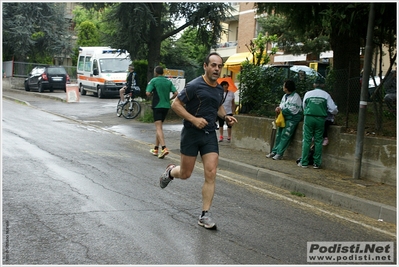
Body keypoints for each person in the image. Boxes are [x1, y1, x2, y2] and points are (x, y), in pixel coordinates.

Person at [159, 52, 237, 230]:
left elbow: (217, 105)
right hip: (191, 133)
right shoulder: (194, 85)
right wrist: (193, 119)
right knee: (186, 174)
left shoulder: (219, 89)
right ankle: (171, 172)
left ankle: (205, 214)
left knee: (211, 172)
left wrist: (226, 117)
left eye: (219, 66)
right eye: (213, 65)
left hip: (209, 134)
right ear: (205, 66)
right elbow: (175, 104)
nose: (216, 69)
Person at [298, 77, 338, 169]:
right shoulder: (326, 95)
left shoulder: (308, 94)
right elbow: (333, 109)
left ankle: (304, 162)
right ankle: (317, 163)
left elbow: (304, 106)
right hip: (320, 118)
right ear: (323, 85)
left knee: (307, 139)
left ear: (314, 84)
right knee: (318, 140)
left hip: (308, 117)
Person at [146, 66, 178, 159]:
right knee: (159, 127)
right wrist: (169, 99)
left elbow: (147, 93)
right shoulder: (168, 81)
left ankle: (164, 148)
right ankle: (156, 149)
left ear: (156, 72)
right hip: (166, 106)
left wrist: (152, 94)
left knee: (158, 128)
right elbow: (176, 93)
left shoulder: (154, 81)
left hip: (157, 105)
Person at [266, 79, 302, 160]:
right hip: (284, 117)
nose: (283, 87)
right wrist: (279, 109)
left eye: (284, 85)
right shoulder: (285, 96)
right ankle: (274, 151)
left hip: (292, 118)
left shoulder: (296, 97)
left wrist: (282, 110)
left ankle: (279, 153)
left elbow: (293, 109)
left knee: (285, 135)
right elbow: (282, 105)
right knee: (279, 134)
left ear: (287, 87)